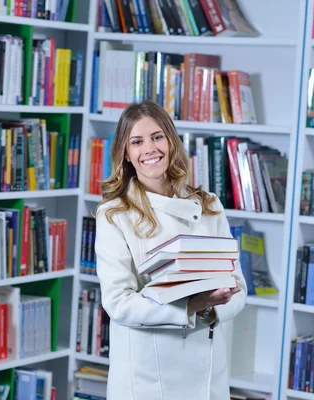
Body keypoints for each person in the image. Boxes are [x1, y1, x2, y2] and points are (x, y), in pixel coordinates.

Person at [95, 100, 247, 400]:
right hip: (147, 378)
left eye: (157, 137)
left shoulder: (209, 205)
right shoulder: (114, 214)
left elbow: (239, 287)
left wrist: (211, 304)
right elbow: (118, 303)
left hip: (207, 372)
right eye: (137, 142)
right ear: (126, 154)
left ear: (171, 140)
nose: (149, 148)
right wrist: (187, 306)